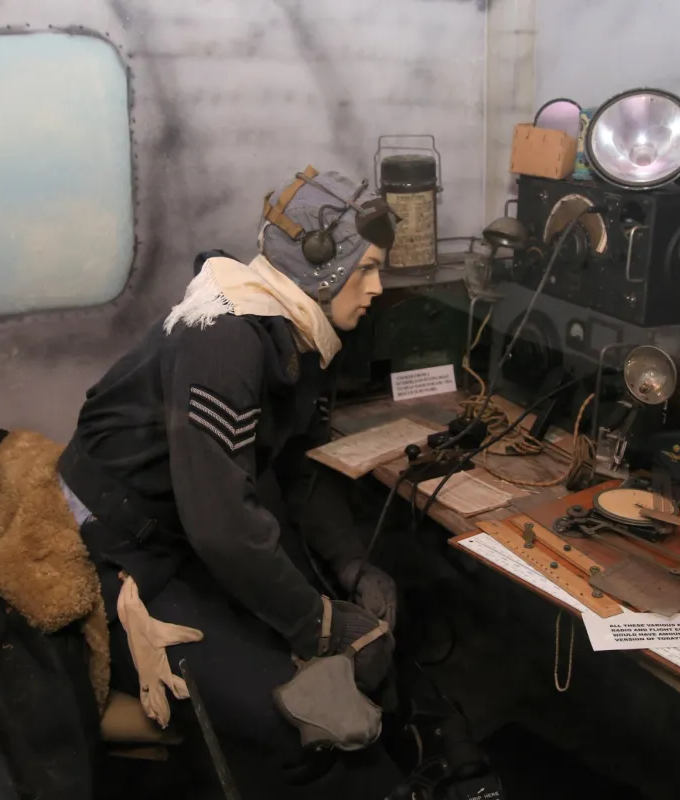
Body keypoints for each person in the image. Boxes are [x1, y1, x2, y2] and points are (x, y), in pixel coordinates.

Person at [56, 168, 401, 783]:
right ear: (321, 263)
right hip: (123, 549)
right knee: (290, 716)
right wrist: (318, 622)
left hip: (182, 527)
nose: (378, 287)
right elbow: (219, 525)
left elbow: (302, 468)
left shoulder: (299, 330)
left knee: (344, 646)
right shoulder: (227, 339)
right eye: (367, 267)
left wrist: (350, 565)